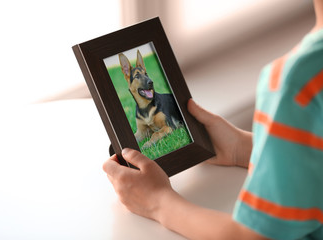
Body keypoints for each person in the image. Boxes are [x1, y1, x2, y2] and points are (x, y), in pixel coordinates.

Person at [103, 0, 323, 239]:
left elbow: (253, 237)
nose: (147, 80)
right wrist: (241, 147)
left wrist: (157, 202)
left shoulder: (299, 82)